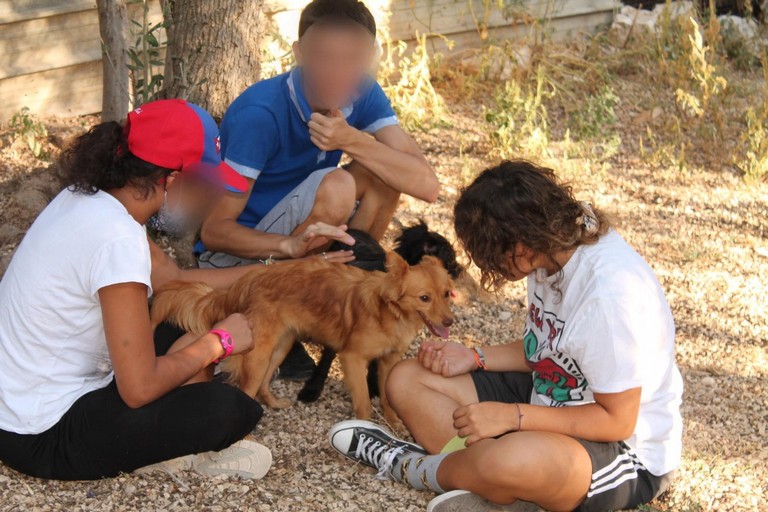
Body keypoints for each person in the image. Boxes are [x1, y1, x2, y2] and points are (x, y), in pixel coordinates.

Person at [0, 99, 352, 481]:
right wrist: (218, 343)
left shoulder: (90, 201)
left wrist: (291, 265)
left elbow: (170, 281)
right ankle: (173, 456)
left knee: (188, 318)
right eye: (205, 186)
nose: (209, 199)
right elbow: (139, 389)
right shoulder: (116, 239)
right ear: (171, 180)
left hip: (20, 405)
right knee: (231, 409)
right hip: (41, 434)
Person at [328, 160, 683, 512]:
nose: (484, 266)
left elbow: (617, 420)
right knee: (407, 379)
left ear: (520, 245)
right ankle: (495, 488)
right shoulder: (552, 251)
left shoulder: (607, 296)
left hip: (626, 450)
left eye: (486, 253)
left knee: (508, 461)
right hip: (548, 400)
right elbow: (548, 348)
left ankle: (411, 466)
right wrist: (475, 357)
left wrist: (512, 417)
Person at [195, 0, 440, 380]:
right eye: (325, 57)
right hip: (242, 259)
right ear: (299, 53)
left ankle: (350, 297)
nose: (339, 72)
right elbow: (214, 232)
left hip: (303, 236)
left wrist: (353, 140)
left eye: (352, 59)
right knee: (341, 184)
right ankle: (285, 316)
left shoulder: (363, 90)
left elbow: (426, 184)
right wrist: (288, 249)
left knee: (384, 172)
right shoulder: (261, 114)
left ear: (371, 57)